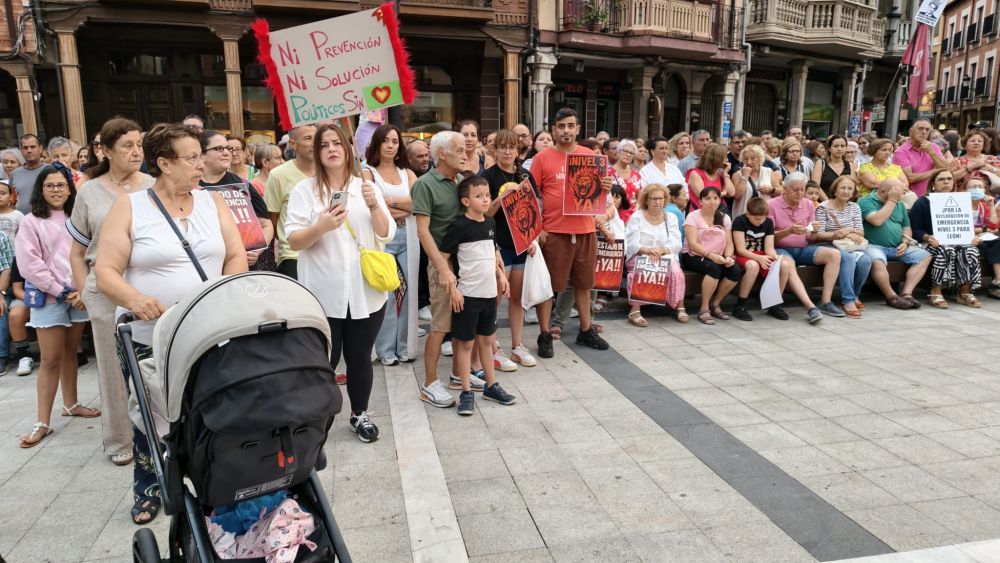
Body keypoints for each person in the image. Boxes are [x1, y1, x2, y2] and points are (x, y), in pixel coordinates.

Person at [96, 122, 247, 524]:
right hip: (150, 335)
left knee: (210, 410)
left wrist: (225, 292)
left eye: (202, 155)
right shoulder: (130, 207)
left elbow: (236, 255)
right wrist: (134, 299)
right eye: (192, 157)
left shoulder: (214, 203)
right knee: (151, 415)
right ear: (164, 163)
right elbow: (106, 271)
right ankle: (148, 488)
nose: (202, 163)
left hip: (209, 331)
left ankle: (214, 480)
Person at [286, 122, 391, 443]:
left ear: (348, 149)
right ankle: (318, 419)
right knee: (323, 362)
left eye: (337, 143)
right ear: (316, 153)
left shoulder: (367, 187)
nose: (331, 149)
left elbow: (387, 234)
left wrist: (374, 205)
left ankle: (360, 414)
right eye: (323, 145)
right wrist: (321, 225)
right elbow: (295, 240)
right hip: (323, 292)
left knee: (360, 357)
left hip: (365, 291)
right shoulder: (305, 191)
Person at [67, 117, 153, 465]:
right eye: (127, 145)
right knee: (112, 369)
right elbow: (77, 250)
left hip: (147, 287)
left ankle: (155, 433)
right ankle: (119, 441)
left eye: (139, 144)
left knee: (150, 365)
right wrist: (84, 291)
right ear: (106, 150)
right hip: (104, 291)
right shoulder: (90, 190)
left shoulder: (152, 184)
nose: (136, 151)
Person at [15, 164, 97, 448]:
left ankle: (71, 404)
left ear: (70, 188)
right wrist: (61, 292)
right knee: (50, 359)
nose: (56, 190)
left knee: (72, 353)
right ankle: (42, 422)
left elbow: (89, 253)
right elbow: (30, 265)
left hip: (79, 296)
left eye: (61, 185)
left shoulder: (78, 217)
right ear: (40, 189)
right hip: (50, 298)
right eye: (49, 185)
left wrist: (81, 289)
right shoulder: (30, 221)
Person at [530, 108, 611, 357]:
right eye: (561, 125)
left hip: (585, 230)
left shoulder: (589, 155)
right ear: (554, 129)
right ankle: (545, 334)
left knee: (584, 285)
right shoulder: (542, 158)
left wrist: (606, 187)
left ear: (577, 129)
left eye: (571, 125)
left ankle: (586, 330)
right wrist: (539, 230)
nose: (566, 130)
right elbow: (532, 196)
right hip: (555, 232)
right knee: (548, 288)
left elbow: (598, 196)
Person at [440, 176, 517, 415]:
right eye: (479, 196)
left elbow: (492, 253)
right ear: (465, 200)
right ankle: (465, 390)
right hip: (468, 295)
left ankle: (491, 386)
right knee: (464, 344)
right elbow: (444, 258)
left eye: (487, 195)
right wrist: (453, 288)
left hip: (488, 293)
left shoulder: (490, 223)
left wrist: (501, 276)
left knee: (487, 341)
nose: (485, 199)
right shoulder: (459, 226)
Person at [414, 130, 466, 408]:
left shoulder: (460, 181)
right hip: (441, 263)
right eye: (459, 150)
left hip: (464, 263)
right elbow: (423, 232)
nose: (466, 154)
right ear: (442, 153)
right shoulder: (425, 184)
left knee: (461, 323)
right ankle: (430, 383)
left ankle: (459, 375)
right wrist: (443, 269)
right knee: (440, 325)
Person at [363, 124, 419, 367]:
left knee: (407, 294)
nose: (390, 145)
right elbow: (370, 206)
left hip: (409, 237)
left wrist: (388, 202)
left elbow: (418, 204)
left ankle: (405, 348)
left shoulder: (408, 173)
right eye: (385, 140)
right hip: (382, 239)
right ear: (377, 143)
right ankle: (385, 349)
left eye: (395, 141)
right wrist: (401, 207)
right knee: (385, 293)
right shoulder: (367, 172)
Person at [483, 129, 537, 368]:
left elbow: (534, 211)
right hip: (497, 245)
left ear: (518, 150)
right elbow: (484, 214)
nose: (507, 151)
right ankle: (494, 349)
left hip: (521, 245)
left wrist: (532, 239)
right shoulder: (488, 177)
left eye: (512, 147)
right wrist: (501, 199)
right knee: (494, 299)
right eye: (502, 146)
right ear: (494, 150)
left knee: (517, 298)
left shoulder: (525, 174)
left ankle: (518, 346)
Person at [731, 197, 822, 323]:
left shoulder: (767, 222)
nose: (760, 222)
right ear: (748, 214)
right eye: (756, 219)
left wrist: (775, 257)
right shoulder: (739, 221)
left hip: (762, 254)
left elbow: (769, 248)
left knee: (783, 265)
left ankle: (775, 304)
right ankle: (740, 305)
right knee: (753, 266)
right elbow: (740, 249)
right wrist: (759, 258)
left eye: (762, 218)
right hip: (745, 255)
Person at [768, 172, 845, 317]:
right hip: (780, 248)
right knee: (788, 265)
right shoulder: (771, 205)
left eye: (802, 190)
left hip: (803, 248)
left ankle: (825, 301)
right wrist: (788, 231)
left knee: (834, 255)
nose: (800, 193)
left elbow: (810, 236)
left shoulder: (808, 204)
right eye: (795, 190)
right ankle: (810, 306)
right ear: (785, 189)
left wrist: (814, 230)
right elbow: (769, 237)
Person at [199, 130, 274, 269]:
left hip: (243, 268)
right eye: (219, 149)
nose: (228, 153)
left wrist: (256, 250)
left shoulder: (243, 185)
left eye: (228, 148)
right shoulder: (192, 188)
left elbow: (266, 224)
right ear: (202, 154)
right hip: (206, 267)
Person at [909, 170, 983, 308]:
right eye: (941, 179)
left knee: (971, 250)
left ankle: (964, 292)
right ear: (933, 184)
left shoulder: (961, 201)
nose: (946, 182)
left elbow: (966, 225)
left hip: (957, 240)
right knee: (946, 249)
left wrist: (973, 237)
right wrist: (928, 237)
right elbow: (916, 230)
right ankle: (935, 291)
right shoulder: (923, 202)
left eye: (949, 179)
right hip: (931, 242)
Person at [860, 178, 933, 309]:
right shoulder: (865, 201)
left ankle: (907, 294)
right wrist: (892, 200)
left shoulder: (899, 205)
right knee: (876, 260)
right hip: (873, 245)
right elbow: (877, 220)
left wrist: (905, 242)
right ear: (882, 192)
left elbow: (907, 228)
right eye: (897, 191)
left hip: (897, 246)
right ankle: (891, 297)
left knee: (924, 255)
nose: (901, 194)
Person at [624, 184, 686, 326]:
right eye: (653, 199)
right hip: (640, 254)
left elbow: (676, 241)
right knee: (642, 269)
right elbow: (631, 243)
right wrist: (648, 251)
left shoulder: (670, 217)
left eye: (660, 198)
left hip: (664, 253)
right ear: (647, 200)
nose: (657, 202)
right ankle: (635, 310)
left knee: (676, 272)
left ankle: (679, 305)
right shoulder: (637, 217)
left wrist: (661, 251)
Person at [813, 176, 873, 318]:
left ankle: (855, 295)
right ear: (835, 190)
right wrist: (838, 234)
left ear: (854, 192)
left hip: (849, 245)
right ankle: (848, 300)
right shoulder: (823, 207)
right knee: (848, 259)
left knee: (866, 260)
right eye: (843, 188)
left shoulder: (855, 207)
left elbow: (861, 231)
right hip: (829, 244)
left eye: (850, 188)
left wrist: (848, 231)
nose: (846, 191)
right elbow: (819, 235)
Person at [681, 186, 740, 324]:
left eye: (715, 198)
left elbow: (730, 243)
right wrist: (711, 255)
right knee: (713, 268)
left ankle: (716, 303)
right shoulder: (693, 216)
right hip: (693, 254)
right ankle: (704, 308)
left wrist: (729, 257)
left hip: (717, 255)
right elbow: (692, 243)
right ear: (700, 201)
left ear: (720, 200)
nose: (712, 201)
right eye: (707, 198)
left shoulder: (724, 217)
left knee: (735, 270)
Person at [265, 124, 316, 279]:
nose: (314, 142)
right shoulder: (278, 175)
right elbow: (272, 217)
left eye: (316, 137)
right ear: (293, 144)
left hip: (326, 255)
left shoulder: (329, 171)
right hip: (292, 255)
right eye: (308, 138)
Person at [894, 119, 951, 198]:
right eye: (920, 128)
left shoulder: (933, 147)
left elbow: (947, 168)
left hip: (934, 196)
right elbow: (910, 178)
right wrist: (935, 170)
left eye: (927, 130)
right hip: (912, 198)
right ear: (911, 131)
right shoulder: (901, 152)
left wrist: (931, 151)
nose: (924, 132)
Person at [731, 144, 781, 217]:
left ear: (760, 159)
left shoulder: (768, 171)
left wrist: (772, 190)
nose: (749, 162)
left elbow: (781, 192)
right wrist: (745, 177)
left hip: (765, 215)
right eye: (746, 159)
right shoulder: (737, 175)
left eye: (752, 158)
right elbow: (737, 196)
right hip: (743, 216)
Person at [686, 144, 734, 212]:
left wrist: (725, 174)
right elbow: (703, 195)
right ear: (717, 159)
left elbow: (731, 193)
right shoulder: (695, 174)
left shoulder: (720, 174)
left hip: (719, 213)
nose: (727, 159)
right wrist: (723, 193)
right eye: (725, 157)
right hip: (700, 214)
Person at [11, 134, 46, 215]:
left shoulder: (50, 170)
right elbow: (11, 199)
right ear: (21, 151)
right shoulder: (14, 174)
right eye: (25, 147)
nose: (29, 150)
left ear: (40, 149)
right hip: (21, 222)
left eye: (33, 147)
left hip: (45, 220)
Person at [610, 139, 643, 223]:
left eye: (631, 153)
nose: (628, 155)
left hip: (633, 217)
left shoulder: (636, 175)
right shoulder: (608, 173)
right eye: (625, 151)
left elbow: (640, 197)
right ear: (618, 152)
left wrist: (636, 211)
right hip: (613, 215)